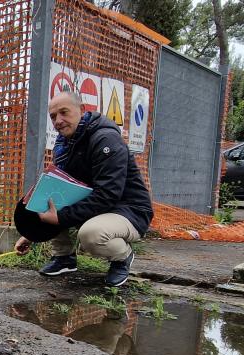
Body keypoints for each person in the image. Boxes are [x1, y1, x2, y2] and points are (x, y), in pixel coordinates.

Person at [15, 91, 154, 287]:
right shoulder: (64, 144)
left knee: (91, 234)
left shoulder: (105, 140)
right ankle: (64, 258)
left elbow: (108, 195)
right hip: (97, 206)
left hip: (128, 210)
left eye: (64, 112)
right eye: (53, 116)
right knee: (49, 201)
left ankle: (122, 257)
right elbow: (59, 188)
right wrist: (31, 232)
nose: (58, 121)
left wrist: (61, 218)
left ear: (81, 110)